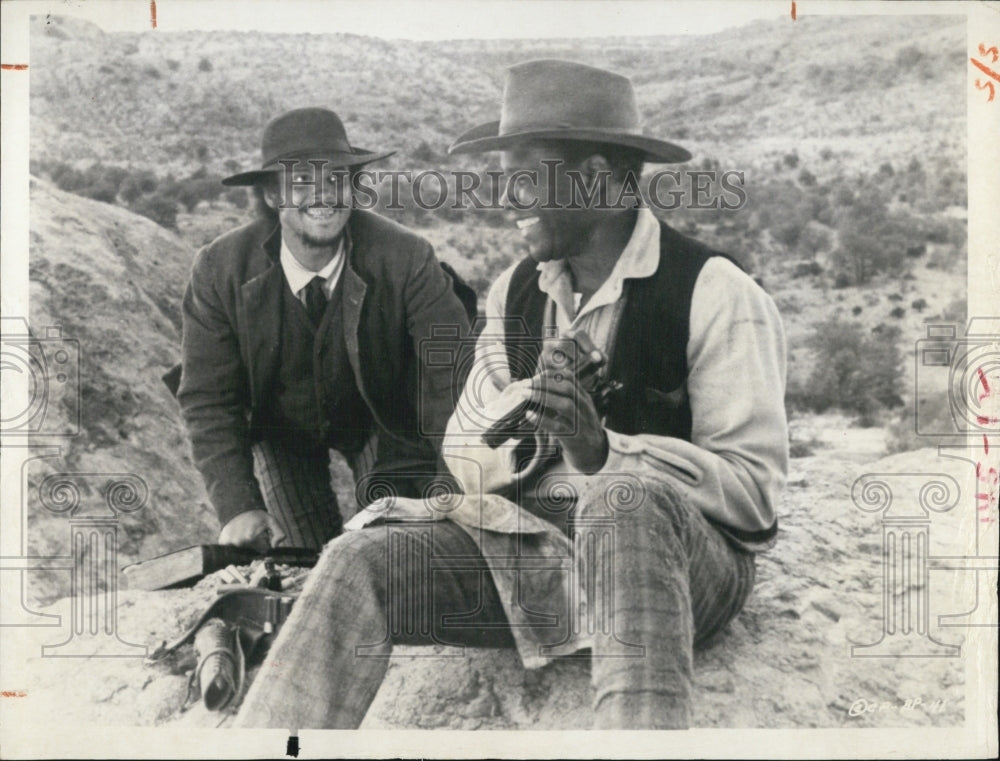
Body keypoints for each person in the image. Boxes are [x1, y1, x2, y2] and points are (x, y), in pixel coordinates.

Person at [233, 61, 787, 730]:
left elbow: (754, 499)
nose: (505, 195)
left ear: (598, 180)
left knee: (625, 503)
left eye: (525, 174)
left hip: (677, 574)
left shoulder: (717, 293)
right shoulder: (515, 291)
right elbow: (467, 452)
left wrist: (602, 450)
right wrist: (524, 436)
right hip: (546, 560)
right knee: (357, 558)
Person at [172, 107, 475, 552]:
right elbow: (209, 397)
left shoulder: (406, 257)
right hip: (281, 430)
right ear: (273, 196)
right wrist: (237, 504)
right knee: (294, 562)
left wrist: (449, 486)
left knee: (391, 551)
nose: (324, 195)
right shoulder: (221, 270)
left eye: (336, 180)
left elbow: (448, 378)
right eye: (302, 183)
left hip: (386, 422)